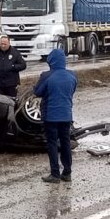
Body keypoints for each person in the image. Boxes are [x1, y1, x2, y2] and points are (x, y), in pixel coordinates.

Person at [33, 49, 77, 184]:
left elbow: (38, 92)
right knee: (65, 142)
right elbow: (72, 91)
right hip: (66, 115)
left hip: (51, 115)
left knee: (52, 143)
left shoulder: (46, 76)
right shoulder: (72, 75)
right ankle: (67, 173)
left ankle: (55, 174)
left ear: (51, 61)